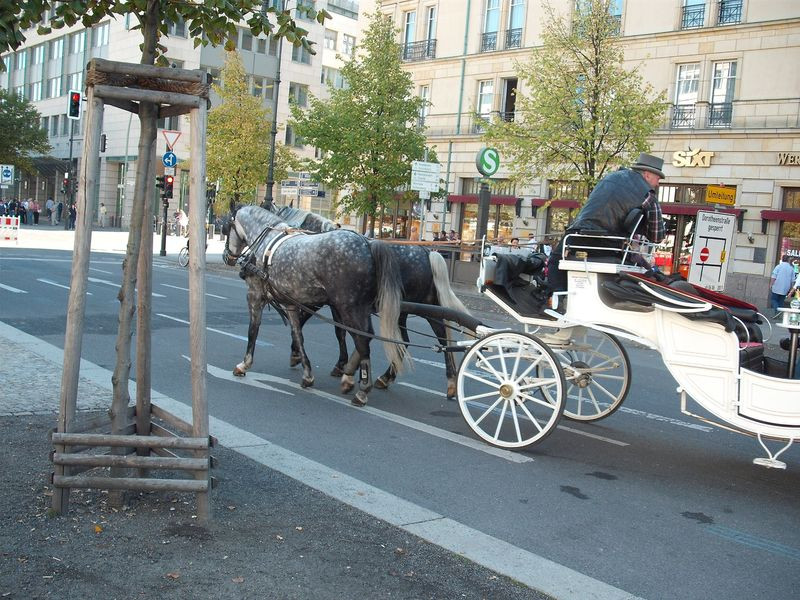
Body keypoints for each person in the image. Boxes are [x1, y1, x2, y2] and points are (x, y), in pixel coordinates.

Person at [546, 152, 667, 294]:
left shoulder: (610, 177)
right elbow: (657, 236)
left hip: (577, 235)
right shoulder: (648, 194)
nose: (658, 183)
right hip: (608, 243)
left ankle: (555, 298)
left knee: (556, 261)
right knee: (637, 263)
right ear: (647, 175)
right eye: (657, 178)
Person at [770, 254, 795, 319]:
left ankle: (777, 311)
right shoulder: (791, 268)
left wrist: (771, 284)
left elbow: (774, 276)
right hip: (786, 287)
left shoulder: (778, 266)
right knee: (781, 301)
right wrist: (791, 288)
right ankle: (777, 315)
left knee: (773, 300)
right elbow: (792, 280)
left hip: (777, 286)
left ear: (782, 259)